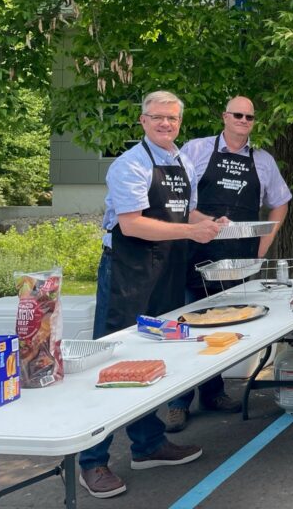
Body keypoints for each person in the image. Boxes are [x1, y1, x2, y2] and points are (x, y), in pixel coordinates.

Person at [79, 91, 227, 500]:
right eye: (158, 117)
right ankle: (92, 460)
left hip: (166, 269)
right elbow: (131, 224)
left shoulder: (182, 162)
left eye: (172, 118)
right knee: (112, 362)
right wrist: (191, 231)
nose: (165, 124)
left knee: (156, 357)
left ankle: (147, 444)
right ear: (143, 121)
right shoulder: (129, 164)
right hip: (128, 271)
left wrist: (211, 223)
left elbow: (186, 212)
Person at [165, 96, 293, 432]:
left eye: (249, 117)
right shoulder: (196, 149)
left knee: (222, 328)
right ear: (224, 116)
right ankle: (177, 403)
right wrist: (203, 223)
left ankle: (213, 393)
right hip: (193, 255)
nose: (243, 121)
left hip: (239, 261)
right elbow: (176, 197)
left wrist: (264, 244)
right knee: (188, 329)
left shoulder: (262, 160)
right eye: (237, 115)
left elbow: (281, 202)